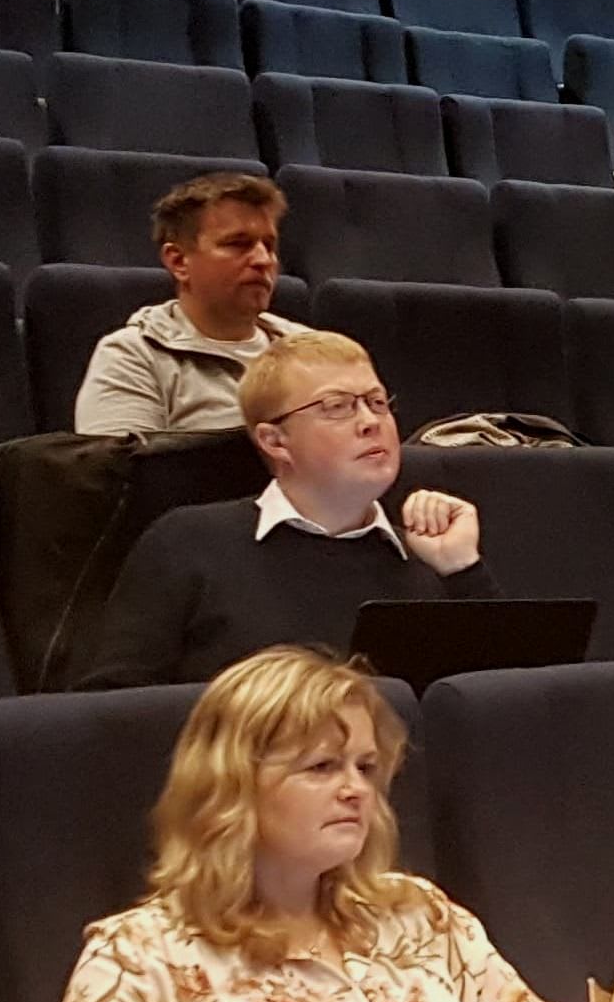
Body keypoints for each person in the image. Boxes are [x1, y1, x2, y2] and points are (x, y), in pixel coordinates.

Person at [39, 649, 592, 1002]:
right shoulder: (139, 954)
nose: (356, 790)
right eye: (323, 766)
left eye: (366, 768)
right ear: (232, 785)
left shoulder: (420, 913)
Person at [73, 333, 491, 689]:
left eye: (377, 402)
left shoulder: (425, 558)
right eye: (337, 406)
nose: (370, 421)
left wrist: (462, 570)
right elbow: (115, 710)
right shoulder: (188, 543)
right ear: (275, 441)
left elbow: (493, 711)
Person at [73, 171, 302, 436]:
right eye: (238, 244)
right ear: (179, 261)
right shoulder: (133, 356)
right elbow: (118, 462)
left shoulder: (309, 348)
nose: (263, 260)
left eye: (269, 246)